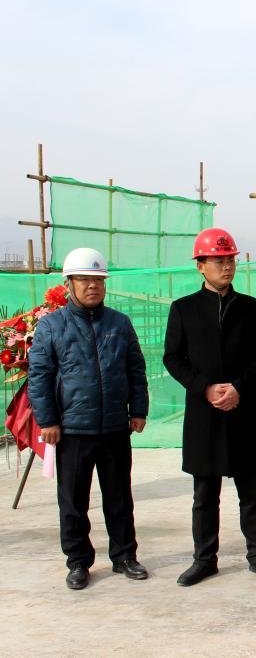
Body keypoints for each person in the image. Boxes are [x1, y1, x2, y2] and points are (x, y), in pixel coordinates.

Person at [163, 228, 256, 586]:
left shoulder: (249, 307)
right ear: (200, 265)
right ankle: (204, 559)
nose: (227, 266)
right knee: (204, 494)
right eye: (218, 260)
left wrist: (239, 387)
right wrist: (205, 388)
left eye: (230, 260)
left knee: (251, 492)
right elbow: (173, 358)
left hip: (243, 409)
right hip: (204, 412)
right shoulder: (183, 309)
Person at [28, 247, 149, 590]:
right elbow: (39, 376)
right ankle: (78, 562)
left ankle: (124, 556)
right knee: (73, 501)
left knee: (119, 497)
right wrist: (48, 421)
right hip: (72, 429)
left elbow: (135, 369)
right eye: (84, 279)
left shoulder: (119, 324)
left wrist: (138, 410)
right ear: (68, 284)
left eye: (98, 280)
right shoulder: (52, 326)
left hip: (114, 427)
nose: (92, 286)